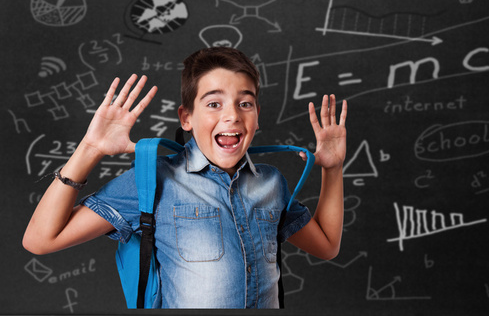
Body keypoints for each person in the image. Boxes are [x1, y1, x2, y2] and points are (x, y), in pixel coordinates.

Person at [23, 47, 348, 308]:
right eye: (214, 103)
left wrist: (332, 168)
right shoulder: (154, 179)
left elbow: (327, 246)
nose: (232, 114)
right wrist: (90, 149)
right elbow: (40, 240)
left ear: (257, 116)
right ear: (187, 117)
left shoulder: (271, 184)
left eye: (245, 103)